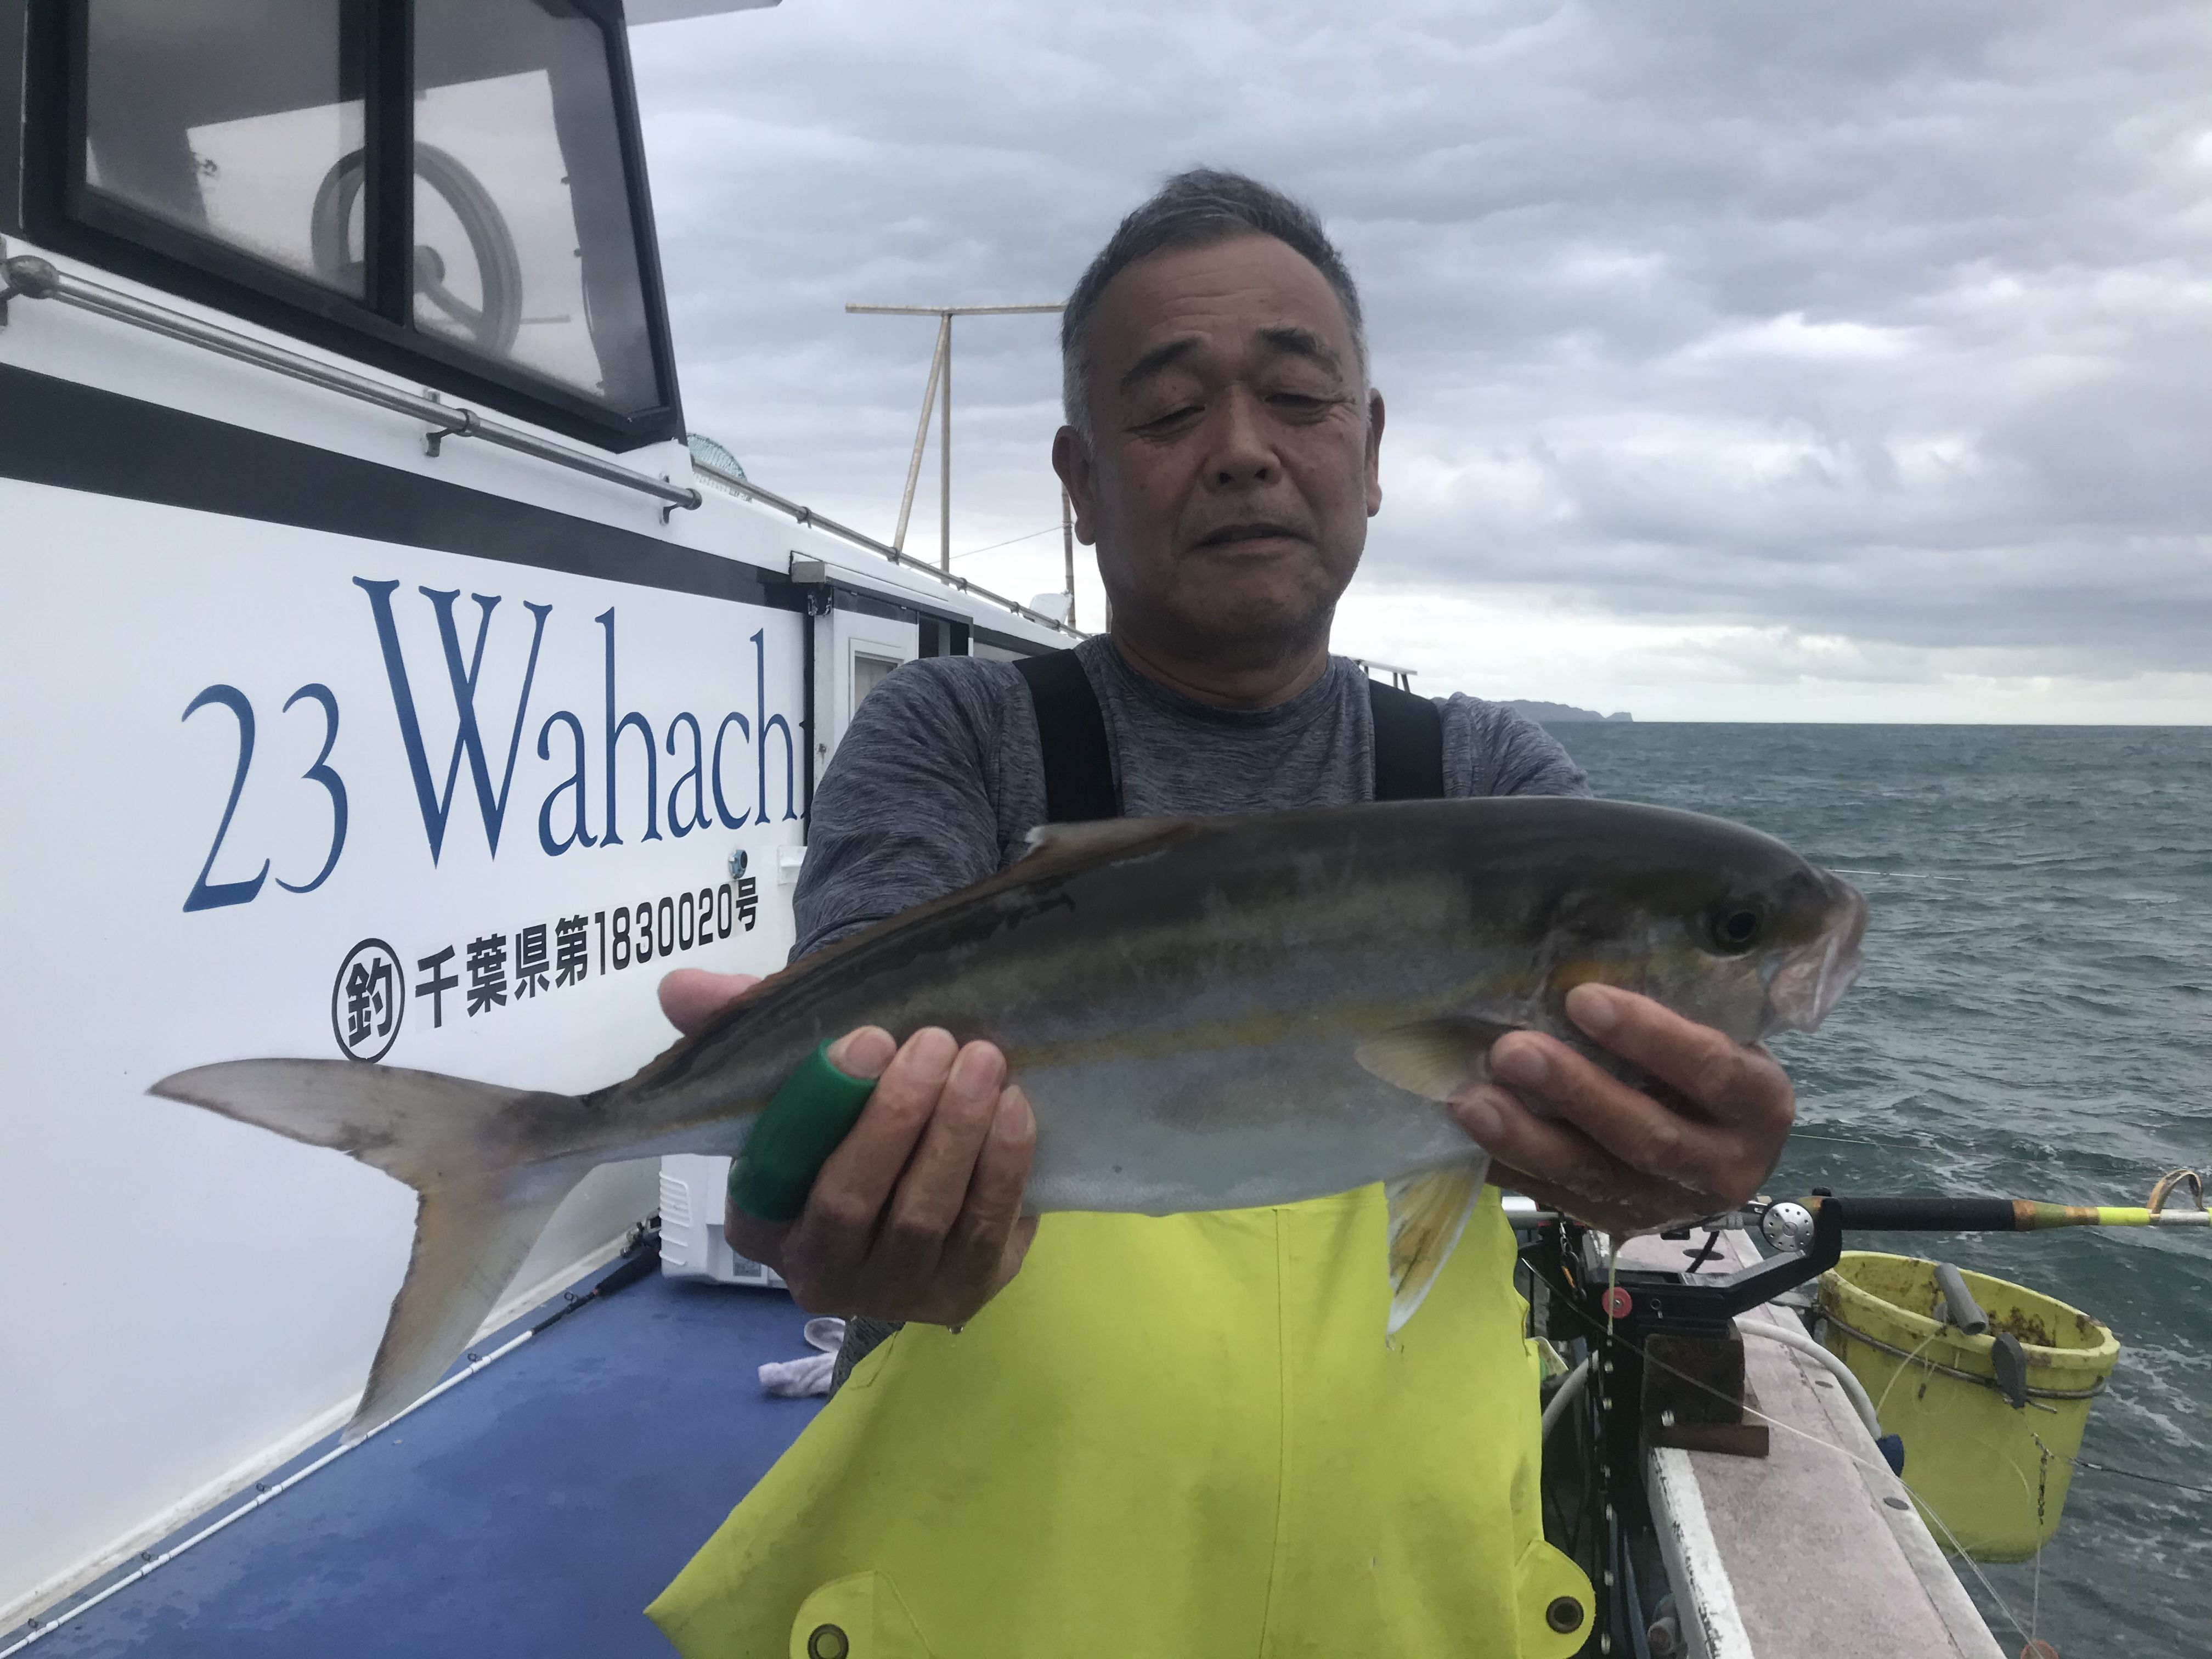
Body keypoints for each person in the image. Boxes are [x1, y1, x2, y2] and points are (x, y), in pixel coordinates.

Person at [648, 168, 1796, 1658]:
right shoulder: (957, 735)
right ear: (1079, 482)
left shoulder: (1488, 783)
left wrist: (1668, 1171)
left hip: (1408, 1608)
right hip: (991, 1602)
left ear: (1369, 453)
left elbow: (1601, 1148)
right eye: (1171, 410)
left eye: (1300, 399)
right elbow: (856, 1049)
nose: (1245, 450)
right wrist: (829, 1188)